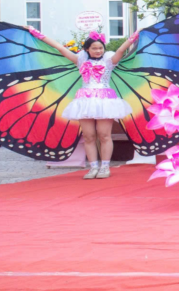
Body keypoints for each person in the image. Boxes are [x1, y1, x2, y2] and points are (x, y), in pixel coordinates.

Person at [34, 29, 139, 179]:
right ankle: (93, 167)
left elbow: (121, 50)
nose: (98, 51)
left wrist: (135, 35)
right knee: (88, 136)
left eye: (100, 48)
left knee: (104, 135)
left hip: (104, 100)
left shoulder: (109, 61)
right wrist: (37, 34)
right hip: (85, 100)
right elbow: (60, 48)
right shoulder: (80, 60)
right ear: (87, 49)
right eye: (94, 48)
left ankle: (105, 167)